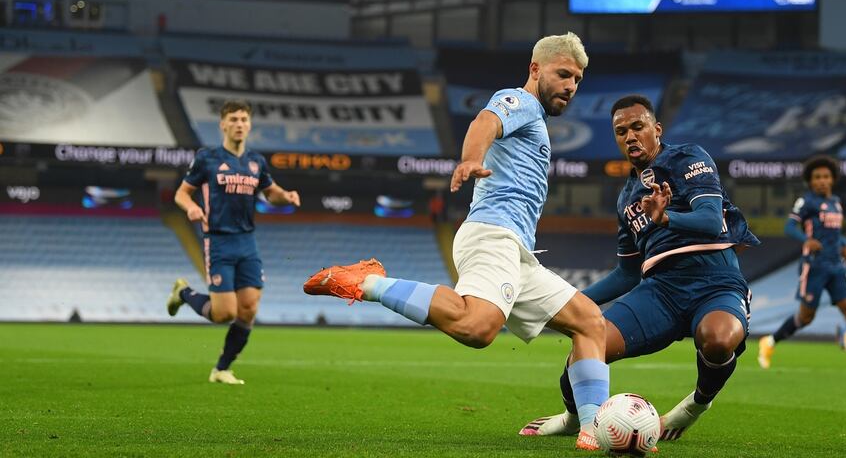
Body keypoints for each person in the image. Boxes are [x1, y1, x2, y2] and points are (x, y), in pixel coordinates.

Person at [302, 33, 609, 450]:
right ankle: (366, 282)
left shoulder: (536, 118)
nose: (571, 86)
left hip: (517, 251)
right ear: (536, 69)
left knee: (590, 323)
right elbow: (485, 122)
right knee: (478, 327)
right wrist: (470, 159)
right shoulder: (521, 102)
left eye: (577, 79)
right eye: (563, 74)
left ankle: (594, 429)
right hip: (492, 234)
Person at [519, 94, 759, 442]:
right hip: (660, 291)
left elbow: (709, 221)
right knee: (589, 341)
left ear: (656, 129)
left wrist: (666, 218)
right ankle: (573, 417)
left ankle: (694, 405)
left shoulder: (687, 157)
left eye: (637, 127)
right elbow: (628, 274)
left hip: (715, 281)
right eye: (621, 131)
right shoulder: (626, 198)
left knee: (718, 340)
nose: (630, 136)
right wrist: (568, 302)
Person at [166, 100, 301, 385]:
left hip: (247, 241)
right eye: (234, 119)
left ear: (249, 125)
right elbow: (181, 193)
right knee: (224, 313)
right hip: (218, 241)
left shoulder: (256, 161)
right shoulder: (207, 158)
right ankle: (184, 293)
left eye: (244, 119)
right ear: (223, 124)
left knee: (249, 308)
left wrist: (285, 196)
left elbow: (270, 192)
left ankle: (221, 369)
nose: (239, 124)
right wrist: (190, 207)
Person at [757, 156, 846, 379]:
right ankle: (769, 341)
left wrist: (845, 245)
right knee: (806, 317)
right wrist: (805, 240)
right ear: (810, 181)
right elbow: (789, 226)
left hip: (837, 267)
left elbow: (834, 235)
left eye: (826, 176)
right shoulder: (807, 202)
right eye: (817, 177)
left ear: (833, 179)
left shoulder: (836, 203)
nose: (822, 180)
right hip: (815, 266)